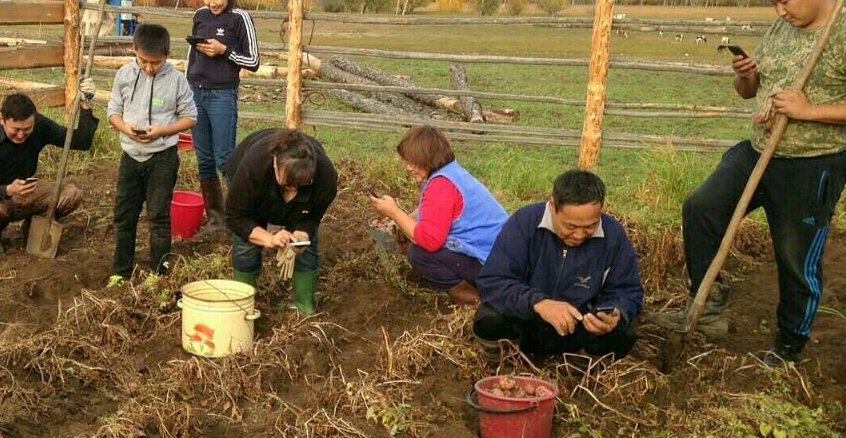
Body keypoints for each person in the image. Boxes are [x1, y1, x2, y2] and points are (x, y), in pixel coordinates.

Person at [649, 0, 846, 366]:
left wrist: (808, 110)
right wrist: (749, 78)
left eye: (785, 1)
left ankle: (790, 344)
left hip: (811, 165)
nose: (779, 11)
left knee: (794, 257)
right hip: (757, 150)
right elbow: (751, 92)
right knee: (702, 209)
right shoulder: (781, 28)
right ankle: (710, 307)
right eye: (774, 3)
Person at [475, 170, 643, 361]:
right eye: (570, 226)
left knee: (625, 331)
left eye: (590, 226)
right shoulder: (524, 222)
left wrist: (614, 313)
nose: (579, 235)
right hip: (526, 322)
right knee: (489, 317)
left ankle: (579, 368)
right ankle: (506, 364)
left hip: (578, 328)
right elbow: (493, 281)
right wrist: (538, 302)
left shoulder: (613, 235)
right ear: (552, 206)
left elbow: (628, 291)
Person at [369, 126, 508, 305]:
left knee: (420, 253)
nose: (409, 168)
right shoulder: (451, 173)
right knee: (413, 234)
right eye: (407, 161)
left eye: (414, 162)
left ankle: (477, 300)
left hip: (492, 265)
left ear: (430, 159)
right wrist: (406, 220)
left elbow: (429, 240)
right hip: (501, 256)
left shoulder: (440, 186)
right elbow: (434, 212)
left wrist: (394, 212)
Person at [107, 23, 197, 282]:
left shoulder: (177, 80)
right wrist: (125, 127)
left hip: (162, 158)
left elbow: (190, 118)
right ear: (133, 50)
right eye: (143, 61)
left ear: (167, 56)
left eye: (155, 63)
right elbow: (113, 111)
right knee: (124, 215)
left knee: (158, 216)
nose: (148, 67)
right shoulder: (124, 75)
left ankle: (158, 275)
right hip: (131, 156)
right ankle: (121, 272)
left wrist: (162, 131)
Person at [0, 90, 99, 254]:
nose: (21, 135)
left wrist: (85, 105)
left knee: (71, 194)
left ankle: (34, 226)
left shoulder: (40, 124)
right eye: (15, 129)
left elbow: (81, 142)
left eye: (27, 129)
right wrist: (8, 189)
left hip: (27, 194)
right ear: (2, 120)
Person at [225, 128, 338, 315]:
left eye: (299, 185)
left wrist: (301, 233)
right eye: (287, 184)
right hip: (253, 189)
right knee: (246, 247)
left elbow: (312, 216)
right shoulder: (253, 168)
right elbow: (236, 217)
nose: (292, 192)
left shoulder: (325, 177)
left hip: (299, 193)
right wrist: (268, 238)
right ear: (276, 164)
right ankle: (242, 306)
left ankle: (304, 307)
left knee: (307, 247)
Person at [186, 0, 259, 235]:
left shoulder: (240, 18)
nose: (211, 3)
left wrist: (224, 51)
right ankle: (216, 220)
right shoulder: (199, 15)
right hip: (196, 92)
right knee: (203, 159)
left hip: (222, 94)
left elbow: (253, 61)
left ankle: (244, 214)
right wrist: (185, 88)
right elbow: (191, 56)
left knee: (224, 158)